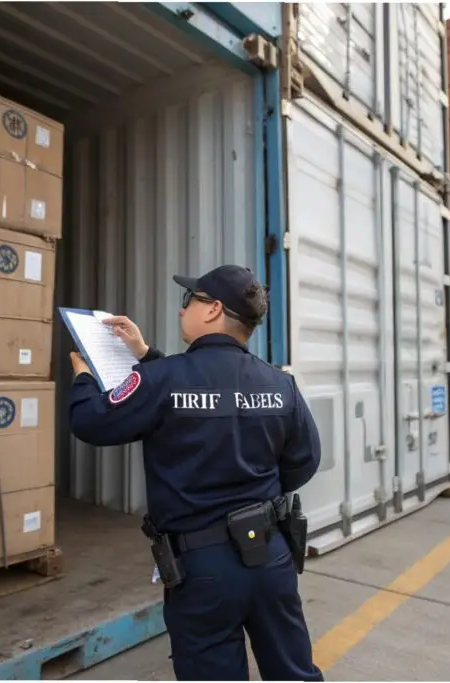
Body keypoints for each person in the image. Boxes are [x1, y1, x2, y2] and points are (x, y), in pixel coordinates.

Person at [67, 265, 324, 682]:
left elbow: (91, 422)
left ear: (213, 309)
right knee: (293, 673)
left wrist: (82, 377)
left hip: (203, 569)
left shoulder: (161, 381)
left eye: (190, 300)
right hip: (271, 557)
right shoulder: (280, 385)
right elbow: (304, 461)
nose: (182, 309)